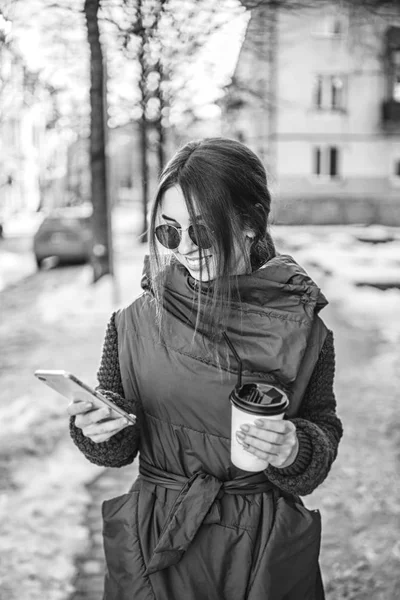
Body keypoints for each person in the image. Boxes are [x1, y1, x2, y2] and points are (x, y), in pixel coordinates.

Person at [68, 137, 343, 600]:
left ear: (251, 223)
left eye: (202, 229)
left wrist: (296, 447)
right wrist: (99, 428)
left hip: (260, 551)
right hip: (157, 544)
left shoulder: (305, 331)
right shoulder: (132, 322)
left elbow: (322, 430)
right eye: (169, 232)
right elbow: (119, 442)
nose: (186, 248)